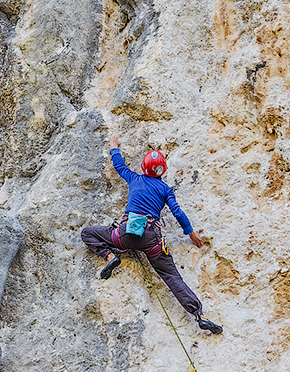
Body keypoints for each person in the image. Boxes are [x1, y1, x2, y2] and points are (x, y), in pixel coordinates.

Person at [81, 134, 223, 335]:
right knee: (172, 276)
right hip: (152, 241)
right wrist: (191, 235)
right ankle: (199, 315)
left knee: (87, 233)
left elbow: (119, 166)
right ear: (162, 170)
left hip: (124, 235)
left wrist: (114, 146)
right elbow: (178, 213)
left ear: (143, 167)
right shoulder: (166, 190)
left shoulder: (134, 178)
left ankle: (111, 257)